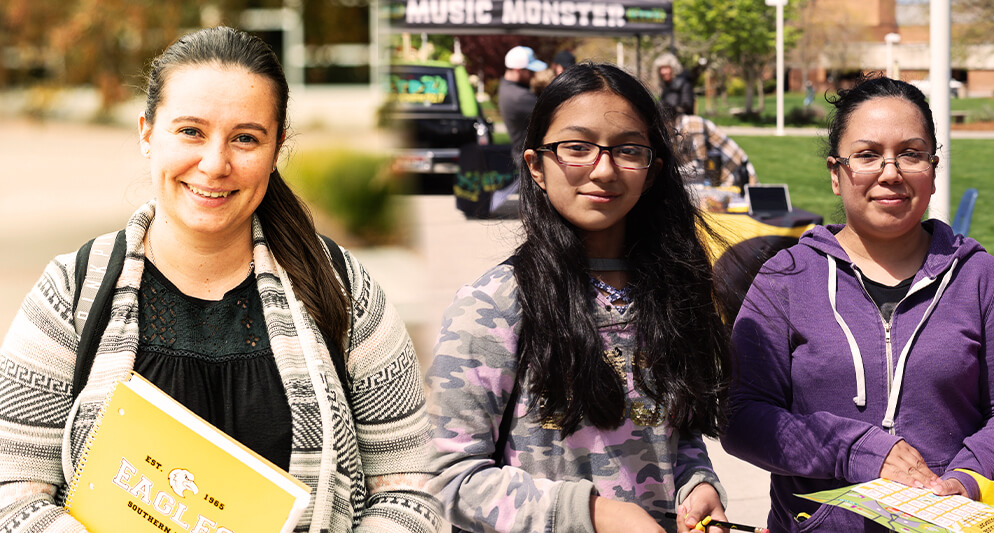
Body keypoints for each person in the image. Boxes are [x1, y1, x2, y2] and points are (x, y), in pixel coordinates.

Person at [0, 26, 443, 531]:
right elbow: (12, 491)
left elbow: (413, 487)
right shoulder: (71, 292)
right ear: (147, 133)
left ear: (276, 150)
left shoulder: (343, 290)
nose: (215, 164)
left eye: (245, 138)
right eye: (190, 131)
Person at [426, 62, 735, 533]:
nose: (604, 169)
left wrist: (697, 486)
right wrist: (594, 513)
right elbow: (448, 480)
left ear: (651, 171)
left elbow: (676, 433)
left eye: (628, 150)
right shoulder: (494, 305)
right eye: (577, 148)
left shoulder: (674, 290)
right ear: (536, 167)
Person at [727, 77, 994, 532]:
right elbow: (742, 416)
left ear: (933, 172)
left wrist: (967, 480)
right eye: (867, 154)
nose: (890, 171)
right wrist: (856, 450)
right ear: (836, 174)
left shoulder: (979, 277)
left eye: (911, 154)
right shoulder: (787, 277)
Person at [499, 46, 542, 141]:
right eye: (530, 71)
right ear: (517, 70)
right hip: (526, 154)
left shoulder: (506, 85)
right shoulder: (520, 97)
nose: (534, 75)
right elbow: (555, 115)